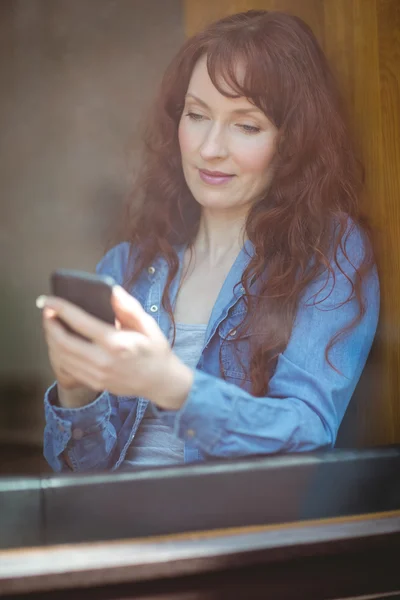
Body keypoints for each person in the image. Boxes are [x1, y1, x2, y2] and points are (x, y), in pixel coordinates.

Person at [39, 10, 379, 472]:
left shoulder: (328, 252)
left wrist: (172, 384)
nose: (210, 148)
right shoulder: (125, 266)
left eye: (247, 125)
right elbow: (79, 474)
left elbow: (308, 429)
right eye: (197, 115)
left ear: (293, 142)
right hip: (113, 527)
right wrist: (75, 386)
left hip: (228, 530)